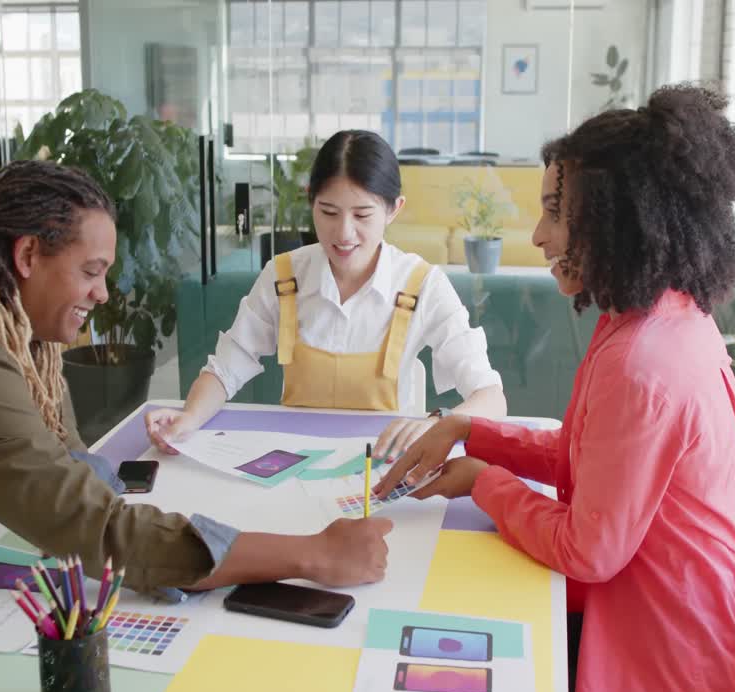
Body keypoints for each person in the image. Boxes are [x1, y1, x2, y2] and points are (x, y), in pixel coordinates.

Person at [0, 161, 393, 691]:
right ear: (28, 255)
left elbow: (68, 466)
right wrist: (312, 553)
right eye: (91, 272)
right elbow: (95, 528)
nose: (104, 294)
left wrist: (172, 540)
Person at [374, 85, 735, 692]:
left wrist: (483, 481)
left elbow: (589, 551)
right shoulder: (654, 318)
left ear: (617, 219)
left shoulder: (642, 364)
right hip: (660, 625)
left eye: (557, 213)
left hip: (658, 671)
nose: (539, 235)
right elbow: (591, 458)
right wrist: (471, 429)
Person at [146, 130, 506, 461]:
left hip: (382, 466)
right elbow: (225, 369)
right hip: (292, 463)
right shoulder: (283, 276)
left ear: (394, 209)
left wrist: (438, 425)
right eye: (329, 212)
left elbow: (490, 397)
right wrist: (188, 418)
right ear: (310, 200)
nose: (344, 233)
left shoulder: (422, 284)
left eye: (362, 215)